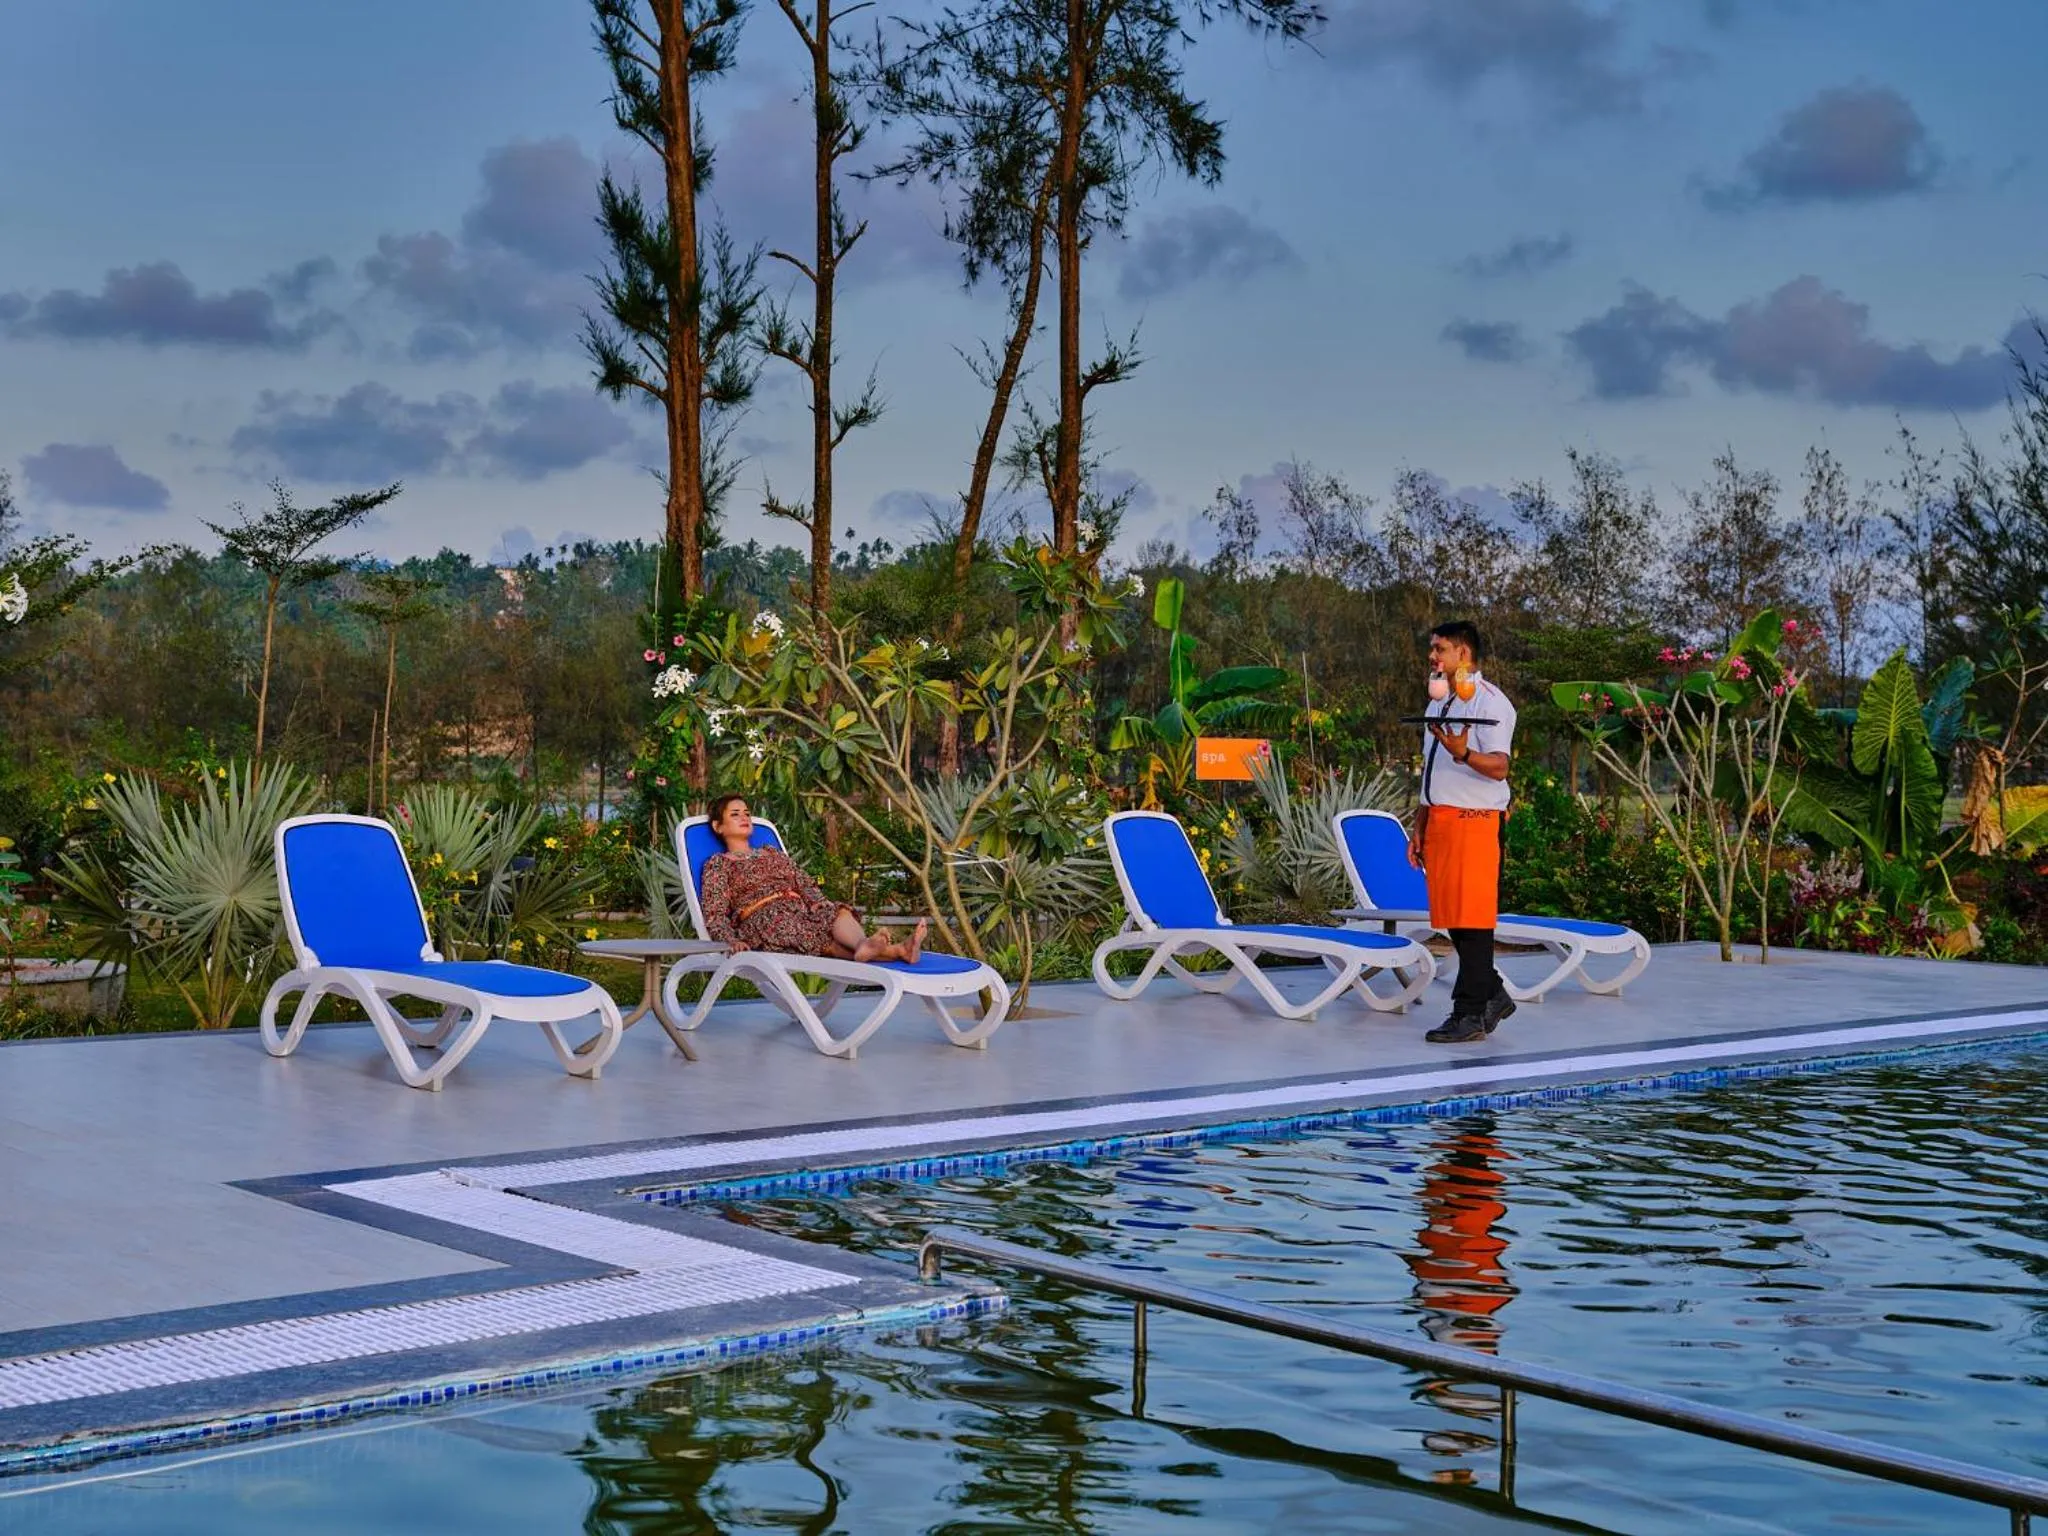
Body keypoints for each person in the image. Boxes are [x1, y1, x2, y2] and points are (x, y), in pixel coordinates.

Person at [1413, 619, 1517, 1044]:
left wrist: (1464, 754)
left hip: (1475, 822)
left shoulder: (1492, 704)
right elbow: (1429, 773)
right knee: (1452, 919)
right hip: (1440, 821)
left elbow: (1500, 768)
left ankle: (1470, 1012)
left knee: (1472, 921)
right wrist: (1418, 828)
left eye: (1440, 649)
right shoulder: (1437, 703)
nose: (1433, 657)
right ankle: (1491, 993)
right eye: (1433, 650)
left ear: (1464, 655)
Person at [699, 794, 927, 962]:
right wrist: (731, 940)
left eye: (747, 813)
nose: (745, 818)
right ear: (718, 826)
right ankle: (894, 950)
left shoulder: (771, 852)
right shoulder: (719, 864)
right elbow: (715, 914)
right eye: (735, 814)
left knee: (835, 911)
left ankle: (868, 946)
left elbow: (803, 882)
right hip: (764, 920)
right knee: (797, 928)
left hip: (798, 910)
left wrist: (818, 902)